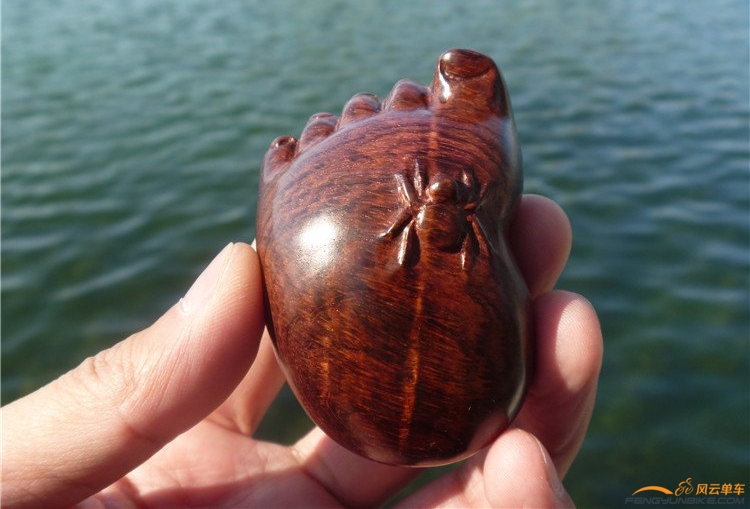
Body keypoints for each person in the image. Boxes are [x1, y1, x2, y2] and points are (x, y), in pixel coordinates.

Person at [2, 195, 602, 508]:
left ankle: (329, 185)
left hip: (386, 404)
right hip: (459, 406)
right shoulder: (459, 215)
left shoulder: (422, 211)